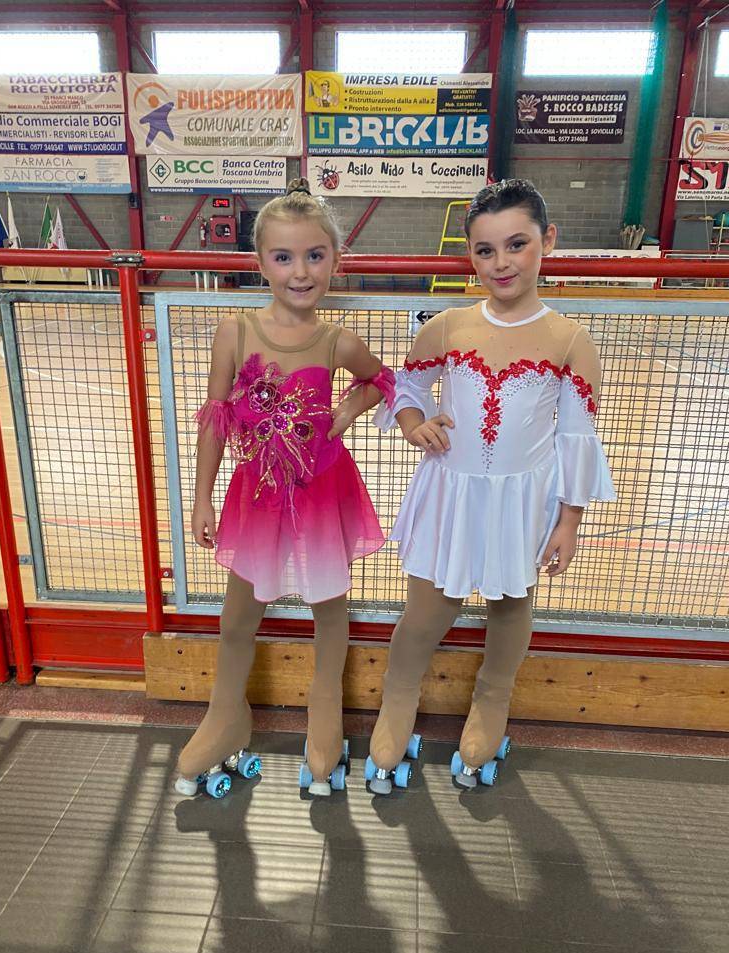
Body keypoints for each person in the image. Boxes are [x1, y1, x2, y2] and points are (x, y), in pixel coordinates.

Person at [366, 178, 616, 794]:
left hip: (521, 500)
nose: (501, 262)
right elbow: (406, 387)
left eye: (516, 244)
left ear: (547, 241)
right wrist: (414, 423)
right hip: (450, 493)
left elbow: (576, 436)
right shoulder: (447, 326)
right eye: (485, 250)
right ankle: (398, 698)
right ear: (470, 256)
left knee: (511, 606)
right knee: (425, 611)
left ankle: (491, 700)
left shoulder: (570, 340)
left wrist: (569, 520)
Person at [176, 178, 394, 798]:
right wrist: (201, 496)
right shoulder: (236, 331)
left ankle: (325, 720)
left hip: (321, 492)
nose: (300, 272)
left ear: (335, 260)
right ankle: (226, 715)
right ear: (261, 262)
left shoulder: (337, 341)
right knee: (238, 615)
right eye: (283, 257)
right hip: (258, 496)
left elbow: (382, 379)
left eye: (314, 256)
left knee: (330, 609)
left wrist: (347, 411)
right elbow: (216, 418)